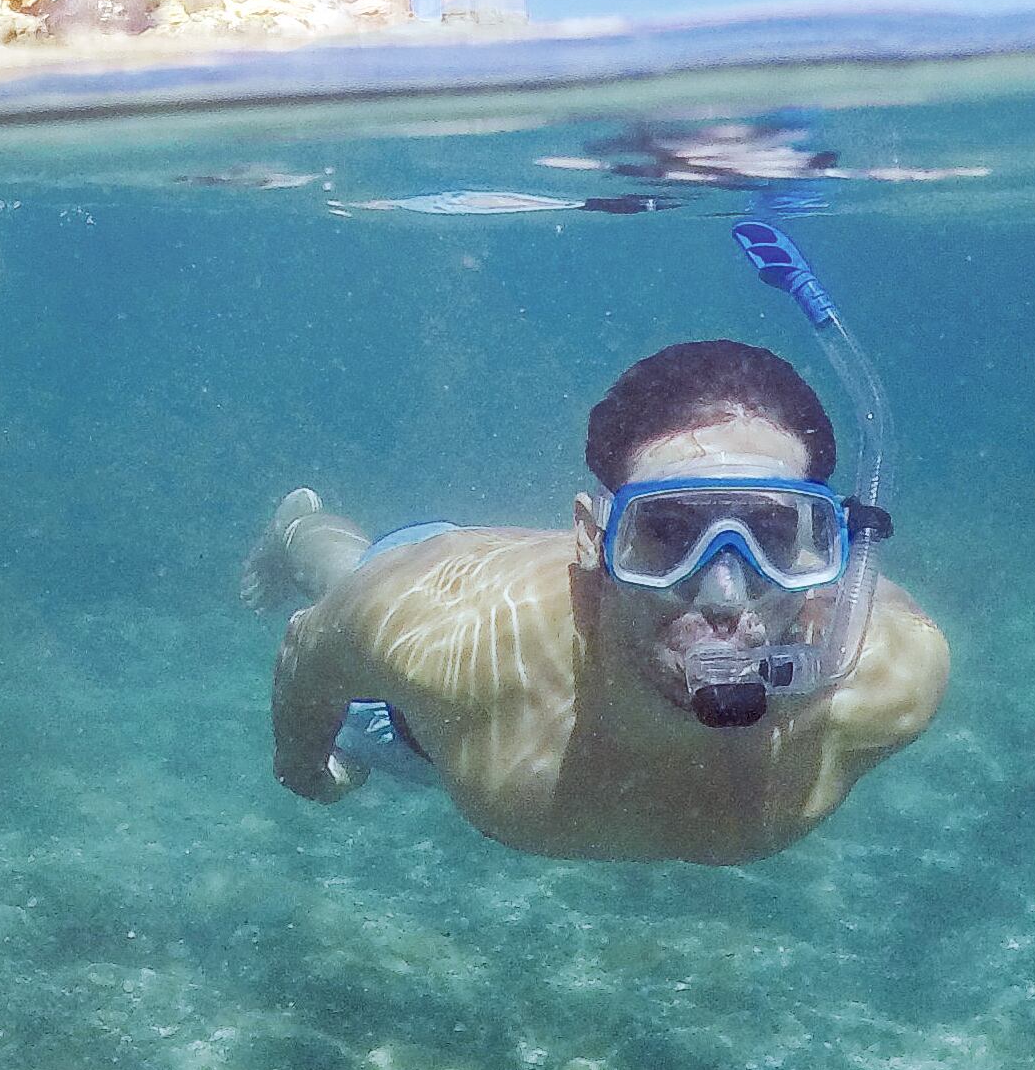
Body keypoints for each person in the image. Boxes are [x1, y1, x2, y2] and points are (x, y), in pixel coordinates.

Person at [244, 236, 947, 863]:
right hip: (413, 726)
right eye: (667, 534)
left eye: (766, 534)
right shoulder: (441, 630)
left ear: (827, 552)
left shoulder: (888, 682)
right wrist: (305, 772)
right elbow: (310, 644)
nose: (724, 595)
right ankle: (295, 529)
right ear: (590, 539)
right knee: (341, 570)